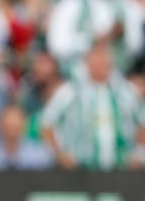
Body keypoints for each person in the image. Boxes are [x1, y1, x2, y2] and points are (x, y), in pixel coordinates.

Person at [41, 41, 145, 171]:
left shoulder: (127, 92)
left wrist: (140, 154)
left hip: (121, 169)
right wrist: (59, 154)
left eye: (103, 60)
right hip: (80, 172)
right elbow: (46, 122)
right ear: (86, 63)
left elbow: (142, 122)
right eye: (95, 60)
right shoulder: (70, 91)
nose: (100, 65)